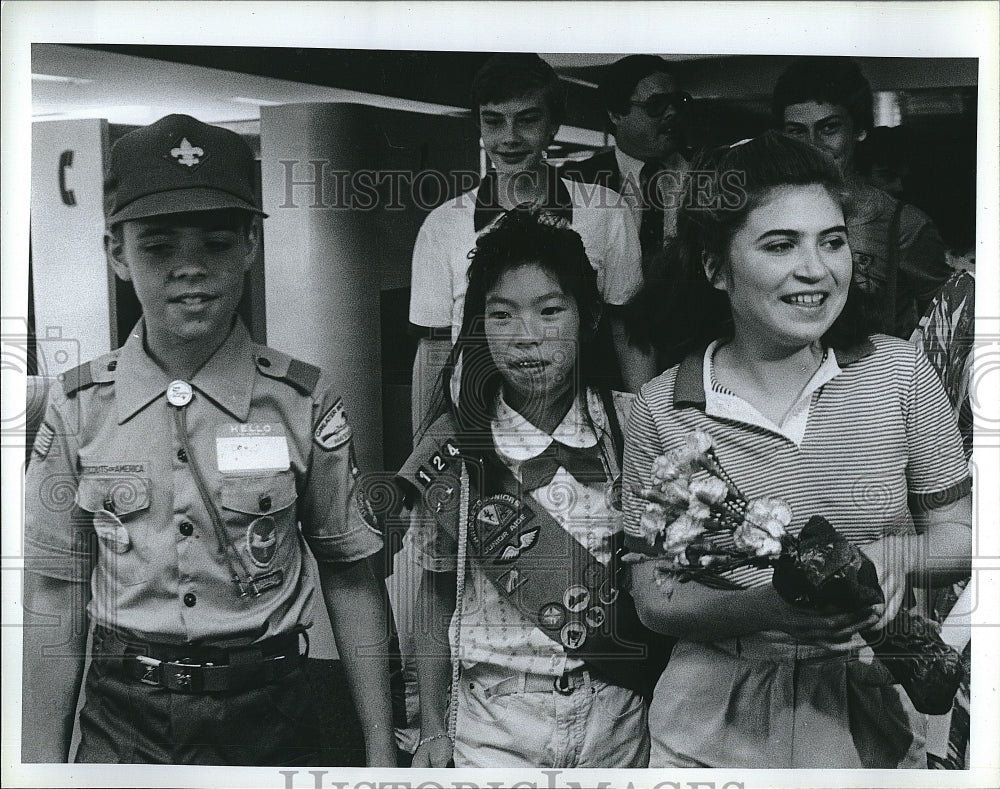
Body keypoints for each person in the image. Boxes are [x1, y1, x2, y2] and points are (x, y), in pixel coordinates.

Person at [21, 114, 396, 766]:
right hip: (121, 720)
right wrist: (37, 761)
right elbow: (55, 592)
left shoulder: (302, 400)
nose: (190, 268)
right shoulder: (77, 406)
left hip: (269, 709)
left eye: (217, 243)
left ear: (251, 244)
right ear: (116, 252)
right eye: (160, 247)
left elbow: (352, 575)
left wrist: (381, 745)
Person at [623, 132, 972, 768]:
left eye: (831, 241)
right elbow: (651, 595)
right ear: (716, 267)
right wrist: (764, 606)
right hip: (713, 725)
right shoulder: (662, 407)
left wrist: (894, 556)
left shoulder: (898, 373)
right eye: (780, 244)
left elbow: (962, 531)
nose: (816, 269)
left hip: (875, 714)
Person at [401, 208, 663, 769]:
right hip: (494, 722)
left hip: (617, 711)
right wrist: (429, 727)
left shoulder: (633, 427)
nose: (526, 337)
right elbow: (434, 595)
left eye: (549, 311)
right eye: (502, 315)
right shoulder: (455, 450)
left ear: (587, 318)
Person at [408, 53, 644, 428]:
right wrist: (425, 440)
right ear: (480, 126)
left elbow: (628, 333)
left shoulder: (605, 211)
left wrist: (642, 428)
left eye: (527, 120)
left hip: (585, 423)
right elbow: (436, 348)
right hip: (478, 424)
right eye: (494, 121)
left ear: (553, 125)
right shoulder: (442, 225)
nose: (510, 138)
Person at [773, 56, 954, 339]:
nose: (811, 146)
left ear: (859, 130)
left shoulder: (903, 225)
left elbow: (949, 324)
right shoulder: (765, 216)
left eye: (828, 128)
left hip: (875, 378)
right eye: (797, 131)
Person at [563, 55, 694, 379]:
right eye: (656, 105)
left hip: (693, 356)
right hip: (602, 364)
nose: (672, 113)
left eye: (678, 101)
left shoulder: (711, 176)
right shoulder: (576, 181)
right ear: (616, 113)